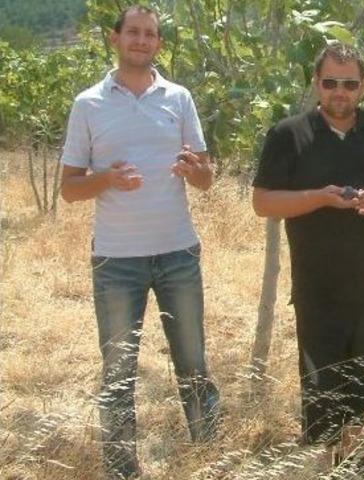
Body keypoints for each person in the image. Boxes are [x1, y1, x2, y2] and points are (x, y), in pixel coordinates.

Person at [59, 6, 219, 479]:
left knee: (193, 364)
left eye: (151, 34)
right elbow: (69, 189)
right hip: (116, 261)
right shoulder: (88, 104)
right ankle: (121, 470)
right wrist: (105, 178)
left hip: (178, 253)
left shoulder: (180, 98)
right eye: (134, 32)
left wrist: (197, 172)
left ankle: (209, 459)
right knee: (118, 375)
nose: (142, 40)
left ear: (159, 45)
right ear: (116, 38)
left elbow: (207, 178)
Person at [251, 42, 364, 471]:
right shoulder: (289, 134)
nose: (339, 92)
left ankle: (357, 458)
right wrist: (320, 198)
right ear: (316, 83)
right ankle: (328, 463)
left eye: (349, 83)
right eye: (330, 83)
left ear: (363, 86)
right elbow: (263, 202)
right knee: (322, 388)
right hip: (316, 290)